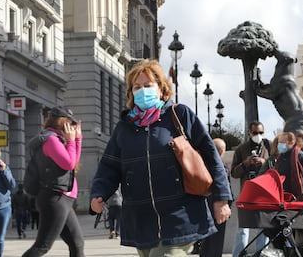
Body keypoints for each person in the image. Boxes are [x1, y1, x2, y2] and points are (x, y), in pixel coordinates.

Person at [90, 59, 232, 256]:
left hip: (180, 215)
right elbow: (109, 166)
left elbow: (210, 156)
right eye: (137, 87)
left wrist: (221, 198)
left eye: (148, 85)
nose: (142, 91)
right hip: (141, 219)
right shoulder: (125, 127)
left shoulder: (179, 115)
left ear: (161, 88)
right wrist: (99, 193)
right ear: (131, 93)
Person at [22, 107, 84, 257]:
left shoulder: (59, 140)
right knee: (42, 246)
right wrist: (71, 141)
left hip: (62, 198)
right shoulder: (51, 140)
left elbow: (74, 163)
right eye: (71, 123)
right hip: (54, 198)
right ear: (63, 123)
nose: (73, 127)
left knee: (77, 243)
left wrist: (77, 139)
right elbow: (68, 164)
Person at [231, 122, 270, 257]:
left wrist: (265, 163)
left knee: (263, 228)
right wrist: (246, 163)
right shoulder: (241, 149)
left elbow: (277, 168)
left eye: (261, 133)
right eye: (255, 133)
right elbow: (234, 173)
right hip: (246, 194)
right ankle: (238, 254)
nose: (258, 136)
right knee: (243, 228)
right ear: (249, 133)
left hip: (264, 194)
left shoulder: (269, 147)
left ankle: (260, 253)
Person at [200, 138, 232, 257]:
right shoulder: (219, 167)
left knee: (206, 241)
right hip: (218, 207)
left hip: (204, 206)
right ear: (222, 152)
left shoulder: (202, 164)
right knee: (216, 242)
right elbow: (225, 188)